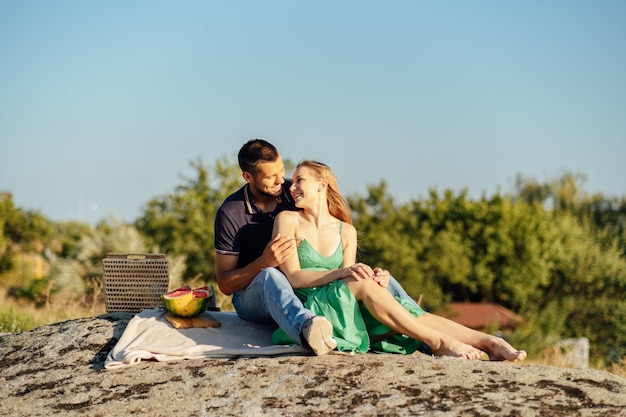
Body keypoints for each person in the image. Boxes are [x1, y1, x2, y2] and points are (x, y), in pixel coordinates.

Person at [271, 159, 527, 361]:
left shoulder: (346, 230)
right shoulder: (287, 220)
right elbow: (294, 278)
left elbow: (350, 280)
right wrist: (344, 273)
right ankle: (438, 343)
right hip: (312, 308)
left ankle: (489, 342)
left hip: (344, 304)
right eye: (292, 183)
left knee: (404, 307)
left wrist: (372, 278)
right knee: (365, 286)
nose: (290, 188)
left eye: (298, 181)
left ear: (321, 185)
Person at [214, 139, 419, 356]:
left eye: (281, 171)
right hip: (254, 297)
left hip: (303, 291)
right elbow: (226, 284)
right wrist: (263, 262)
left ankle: (419, 321)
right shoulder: (231, 213)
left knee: (374, 277)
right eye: (270, 176)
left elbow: (331, 224)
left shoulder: (290, 192)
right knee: (270, 276)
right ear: (248, 177)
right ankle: (306, 328)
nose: (280, 181)